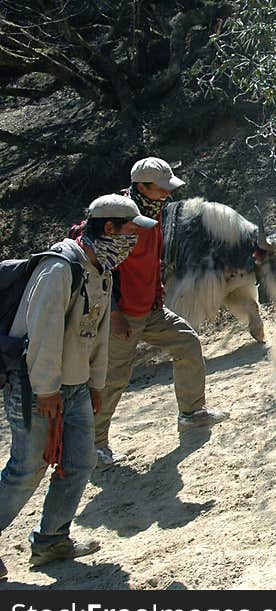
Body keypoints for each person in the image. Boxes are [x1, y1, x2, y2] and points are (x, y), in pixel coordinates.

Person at [0, 195, 152, 576]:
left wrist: (95, 383)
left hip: (77, 386)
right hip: (37, 386)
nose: (135, 240)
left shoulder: (101, 268)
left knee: (80, 460)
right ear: (110, 229)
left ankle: (52, 541)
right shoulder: (59, 269)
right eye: (131, 232)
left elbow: (97, 335)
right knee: (27, 468)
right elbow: (43, 335)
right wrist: (47, 389)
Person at [92, 157, 229, 467]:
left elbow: (153, 257)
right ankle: (94, 445)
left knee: (187, 343)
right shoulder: (115, 215)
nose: (168, 193)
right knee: (113, 379)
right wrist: (113, 312)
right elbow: (100, 267)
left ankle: (191, 413)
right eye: (161, 188)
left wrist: (157, 290)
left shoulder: (152, 211)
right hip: (121, 315)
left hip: (150, 309)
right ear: (141, 186)